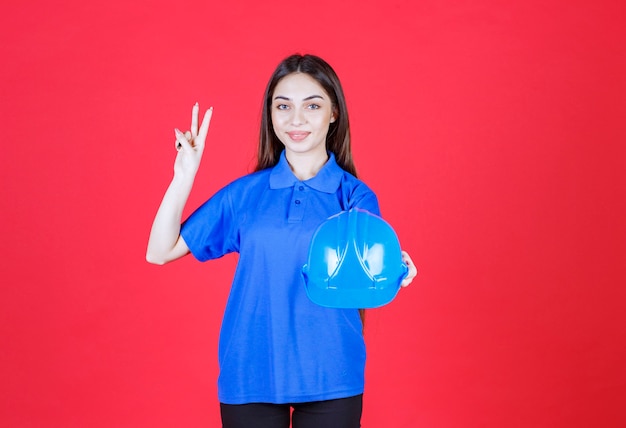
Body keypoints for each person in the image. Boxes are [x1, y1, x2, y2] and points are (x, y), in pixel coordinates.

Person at [146, 54, 418, 428]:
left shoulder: (354, 197)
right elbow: (160, 252)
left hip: (331, 373)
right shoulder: (246, 194)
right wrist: (184, 176)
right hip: (250, 372)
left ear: (333, 113)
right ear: (270, 115)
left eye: (312, 105)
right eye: (283, 106)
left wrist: (396, 268)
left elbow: (368, 274)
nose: (296, 119)